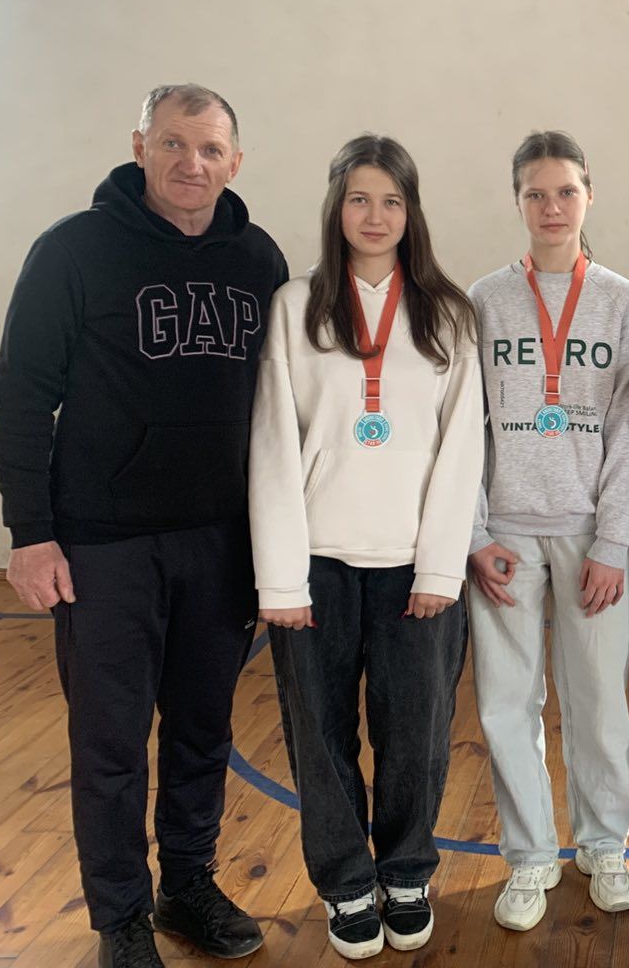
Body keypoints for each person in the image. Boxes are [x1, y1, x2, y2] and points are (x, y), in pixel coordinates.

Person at [0, 84, 286, 968]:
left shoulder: (259, 259)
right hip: (104, 544)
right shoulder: (73, 251)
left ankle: (186, 885)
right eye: (173, 144)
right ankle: (119, 916)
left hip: (223, 544)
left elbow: (282, 411)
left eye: (210, 148)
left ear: (236, 160)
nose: (192, 163)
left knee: (202, 731)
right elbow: (22, 398)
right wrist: (30, 532)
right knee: (110, 742)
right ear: (139, 146)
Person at [248, 134, 482, 960]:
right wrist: (281, 579)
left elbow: (463, 449)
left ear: (411, 211)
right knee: (319, 733)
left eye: (391, 200)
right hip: (317, 565)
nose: (374, 216)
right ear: (335, 208)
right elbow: (273, 445)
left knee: (416, 730)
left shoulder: (449, 313)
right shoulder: (295, 306)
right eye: (358, 199)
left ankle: (407, 870)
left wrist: (442, 564)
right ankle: (347, 881)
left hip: (415, 567)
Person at [465, 132, 629, 931]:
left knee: (600, 702)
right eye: (535, 194)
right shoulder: (484, 300)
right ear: (517, 201)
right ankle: (530, 855)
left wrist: (613, 541)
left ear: (588, 196)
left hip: (587, 533)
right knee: (508, 702)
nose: (551, 207)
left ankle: (604, 843)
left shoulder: (619, 299)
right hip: (505, 533)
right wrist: (475, 533)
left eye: (566, 192)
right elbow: (465, 426)